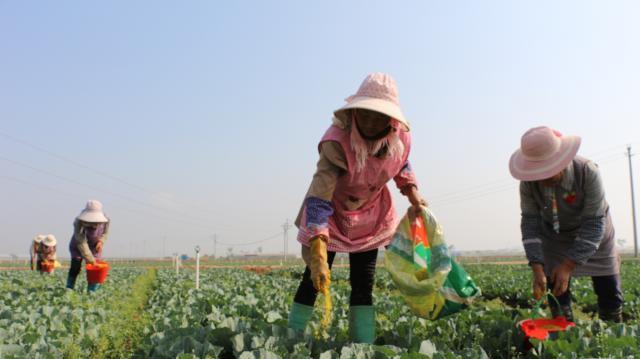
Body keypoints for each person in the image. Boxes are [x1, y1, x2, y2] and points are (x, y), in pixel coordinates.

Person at [288, 73, 427, 343]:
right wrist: (317, 248)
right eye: (366, 114)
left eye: (379, 116)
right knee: (313, 279)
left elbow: (401, 164)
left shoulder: (399, 139)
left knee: (364, 283)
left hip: (370, 214)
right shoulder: (337, 141)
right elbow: (320, 191)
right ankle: (292, 339)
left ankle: (362, 347)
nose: (371, 121)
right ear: (354, 112)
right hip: (330, 213)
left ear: (391, 120)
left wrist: (412, 193)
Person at [509, 126, 623, 322]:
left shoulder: (587, 172)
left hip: (594, 232)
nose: (542, 178)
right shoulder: (528, 183)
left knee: (608, 288)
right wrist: (537, 267)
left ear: (562, 160)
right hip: (554, 236)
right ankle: (564, 331)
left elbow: (594, 222)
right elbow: (530, 222)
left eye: (547, 171)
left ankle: (613, 331)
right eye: (537, 172)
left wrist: (569, 265)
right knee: (556, 287)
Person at [65, 200, 110, 292]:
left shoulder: (106, 220)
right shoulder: (79, 222)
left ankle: (92, 291)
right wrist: (91, 260)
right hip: (78, 246)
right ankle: (69, 288)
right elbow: (81, 242)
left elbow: (105, 233)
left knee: (94, 270)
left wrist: (101, 242)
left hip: (94, 248)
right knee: (75, 267)